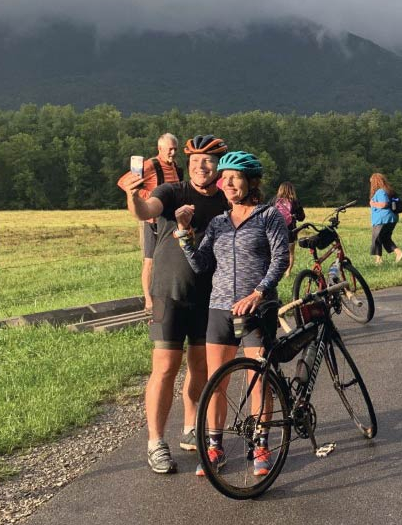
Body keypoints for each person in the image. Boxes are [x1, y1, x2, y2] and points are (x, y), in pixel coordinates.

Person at [118, 134, 228, 474]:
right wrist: (132, 195)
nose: (201, 167)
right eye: (195, 161)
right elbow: (144, 211)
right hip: (170, 292)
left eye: (207, 161)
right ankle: (155, 442)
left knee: (201, 368)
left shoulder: (226, 199)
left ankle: (190, 427)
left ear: (218, 165)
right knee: (165, 368)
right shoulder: (172, 192)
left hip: (208, 296)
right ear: (188, 164)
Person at [176, 151, 290, 477]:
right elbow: (201, 265)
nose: (226, 183)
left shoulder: (269, 216)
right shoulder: (219, 223)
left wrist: (259, 293)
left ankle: (261, 443)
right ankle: (215, 447)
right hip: (220, 308)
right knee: (218, 381)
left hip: (258, 308)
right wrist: (185, 234)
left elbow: (280, 260)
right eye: (223, 177)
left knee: (258, 379)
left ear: (250, 181)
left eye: (234, 177)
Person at [117, 133, 183, 312]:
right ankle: (149, 302)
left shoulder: (176, 167)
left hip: (170, 222)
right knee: (150, 261)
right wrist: (147, 198)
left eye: (175, 149)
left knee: (172, 259)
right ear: (159, 148)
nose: (173, 152)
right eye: (170, 149)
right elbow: (123, 182)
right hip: (152, 221)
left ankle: (169, 297)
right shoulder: (151, 165)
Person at [369, 173, 402, 264]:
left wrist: (373, 204)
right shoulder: (389, 191)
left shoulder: (381, 191)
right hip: (392, 218)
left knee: (376, 238)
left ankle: (379, 260)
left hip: (382, 219)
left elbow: (384, 204)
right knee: (385, 238)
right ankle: (398, 253)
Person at [273, 181, 306, 271]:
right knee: (291, 253)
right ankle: (288, 272)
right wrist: (294, 216)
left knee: (276, 251)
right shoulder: (295, 201)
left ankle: (276, 269)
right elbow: (302, 217)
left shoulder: (274, 200)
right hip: (291, 230)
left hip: (276, 230)